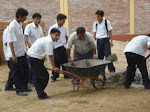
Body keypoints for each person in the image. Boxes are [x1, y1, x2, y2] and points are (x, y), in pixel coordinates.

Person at [27, 28, 59, 100]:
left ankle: (40, 93)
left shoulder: (46, 39)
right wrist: (53, 67)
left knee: (37, 77)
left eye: (58, 36)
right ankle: (40, 93)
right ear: (51, 34)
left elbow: (43, 52)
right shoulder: (49, 41)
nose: (57, 37)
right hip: (34, 59)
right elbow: (50, 55)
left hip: (34, 58)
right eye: (56, 35)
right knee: (44, 76)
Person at [7, 8, 31, 96]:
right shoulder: (12, 26)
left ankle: (25, 86)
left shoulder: (20, 24)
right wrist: (13, 55)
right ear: (20, 16)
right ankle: (19, 89)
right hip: (16, 53)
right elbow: (10, 41)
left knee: (25, 70)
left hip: (22, 52)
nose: (25, 19)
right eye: (24, 17)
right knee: (17, 72)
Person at [48, 13, 69, 82]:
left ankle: (66, 74)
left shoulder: (64, 27)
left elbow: (66, 36)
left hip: (63, 46)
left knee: (65, 61)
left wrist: (66, 44)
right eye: (63, 20)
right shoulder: (52, 28)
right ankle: (54, 76)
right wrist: (52, 47)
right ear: (59, 20)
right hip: (56, 47)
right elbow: (49, 38)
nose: (64, 22)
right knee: (56, 62)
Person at [93, 10, 115, 74]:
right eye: (96, 16)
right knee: (100, 56)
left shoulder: (106, 22)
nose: (97, 18)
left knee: (108, 55)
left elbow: (110, 32)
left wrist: (111, 41)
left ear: (102, 16)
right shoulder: (95, 23)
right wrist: (93, 41)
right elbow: (94, 33)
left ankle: (111, 70)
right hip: (99, 41)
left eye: (99, 16)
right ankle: (101, 71)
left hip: (105, 40)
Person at [24, 13, 44, 85]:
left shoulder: (40, 28)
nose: (38, 21)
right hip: (31, 49)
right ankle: (30, 81)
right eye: (36, 19)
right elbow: (26, 36)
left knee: (36, 65)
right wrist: (29, 45)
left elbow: (41, 38)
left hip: (38, 50)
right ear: (33, 19)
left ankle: (35, 79)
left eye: (39, 19)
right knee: (32, 65)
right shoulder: (29, 27)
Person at [3, 26, 14, 91]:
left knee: (14, 70)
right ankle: (8, 85)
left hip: (13, 54)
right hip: (9, 55)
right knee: (13, 70)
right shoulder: (7, 31)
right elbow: (6, 43)